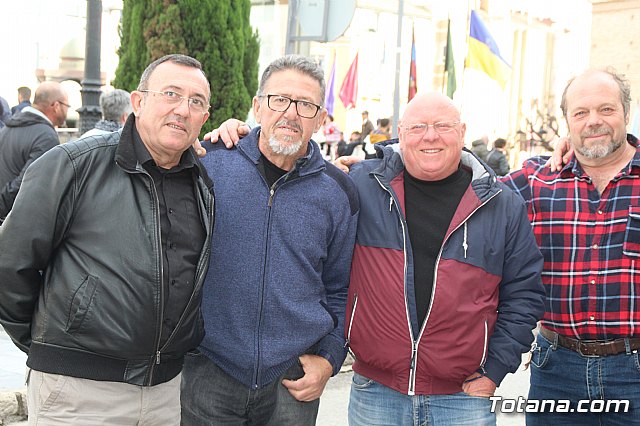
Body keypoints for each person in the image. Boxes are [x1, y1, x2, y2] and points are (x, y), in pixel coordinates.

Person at [209, 91, 545, 425]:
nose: (430, 136)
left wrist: (494, 372)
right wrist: (239, 134)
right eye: (417, 127)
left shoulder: (502, 206)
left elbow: (524, 296)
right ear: (401, 131)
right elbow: (291, 165)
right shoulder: (361, 184)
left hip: (462, 398)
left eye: (442, 126)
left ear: (462, 131)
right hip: (376, 393)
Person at [0, 54, 214, 425]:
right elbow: (9, 265)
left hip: (164, 392)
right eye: (171, 93)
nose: (183, 108)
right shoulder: (73, 165)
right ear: (138, 101)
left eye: (196, 101)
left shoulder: (201, 184)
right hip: (79, 393)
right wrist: (49, 346)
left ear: (205, 117)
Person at [180, 54, 358, 425]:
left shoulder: (339, 192)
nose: (291, 113)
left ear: (321, 119)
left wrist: (329, 358)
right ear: (257, 107)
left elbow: (344, 289)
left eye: (306, 105)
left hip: (293, 376)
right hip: (210, 367)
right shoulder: (208, 164)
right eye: (280, 100)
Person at [501, 68, 640, 425]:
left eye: (606, 110)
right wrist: (378, 170)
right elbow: (461, 188)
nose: (593, 121)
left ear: (627, 112)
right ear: (567, 121)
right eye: (581, 113)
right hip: (556, 371)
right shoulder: (535, 181)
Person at [0, 81, 68, 222]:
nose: (67, 111)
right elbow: (28, 183)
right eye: (66, 106)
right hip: (15, 223)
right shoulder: (46, 136)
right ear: (56, 106)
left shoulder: (8, 127)